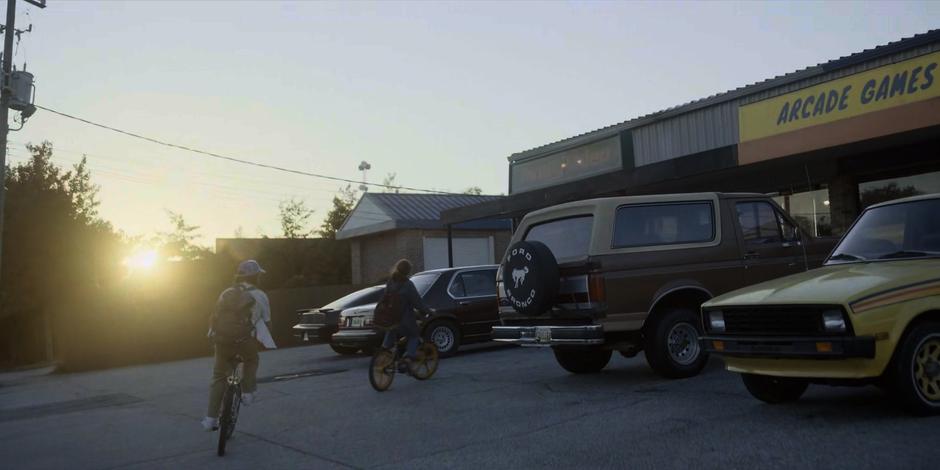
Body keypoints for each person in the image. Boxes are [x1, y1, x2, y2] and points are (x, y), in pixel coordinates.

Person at [201, 260, 273, 432]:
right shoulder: (260, 295)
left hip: (222, 341)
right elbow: (267, 322)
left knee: (219, 376)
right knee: (252, 359)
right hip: (244, 341)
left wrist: (213, 336)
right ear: (256, 276)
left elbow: (214, 317)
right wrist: (264, 340)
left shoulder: (226, 293)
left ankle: (210, 419)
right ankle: (248, 392)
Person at [381, 259, 432, 371]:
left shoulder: (390, 281)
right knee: (413, 335)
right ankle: (408, 359)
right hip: (404, 320)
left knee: (391, 331)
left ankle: (384, 351)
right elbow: (418, 303)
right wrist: (428, 311)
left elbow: (385, 297)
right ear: (408, 271)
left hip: (389, 318)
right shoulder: (408, 284)